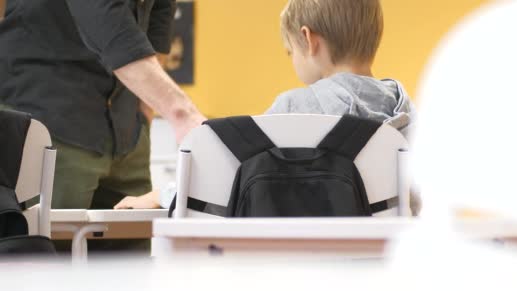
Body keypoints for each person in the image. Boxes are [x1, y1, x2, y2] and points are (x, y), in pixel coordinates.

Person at [115, 0, 420, 215]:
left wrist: (161, 195)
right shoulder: (408, 113)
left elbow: (223, 183)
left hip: (295, 266)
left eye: (290, 52)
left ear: (308, 39)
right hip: (380, 270)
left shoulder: (294, 109)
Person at [0, 0, 205, 209]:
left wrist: (143, 117)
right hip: (50, 123)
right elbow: (105, 18)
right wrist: (183, 115)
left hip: (126, 136)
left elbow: (158, 28)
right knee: (48, 237)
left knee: (132, 237)